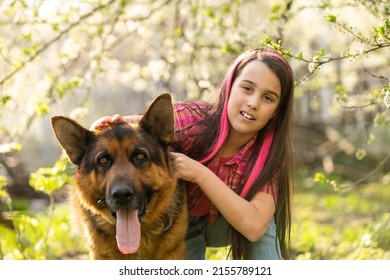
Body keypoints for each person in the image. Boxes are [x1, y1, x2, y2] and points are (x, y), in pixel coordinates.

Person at [91, 48, 295, 260]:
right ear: (229, 87)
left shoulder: (271, 154)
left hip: (230, 225)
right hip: (182, 223)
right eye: (246, 88)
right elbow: (145, 128)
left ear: (276, 112)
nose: (253, 103)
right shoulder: (193, 121)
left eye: (268, 98)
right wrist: (110, 125)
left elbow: (253, 227)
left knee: (262, 218)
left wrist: (199, 173)